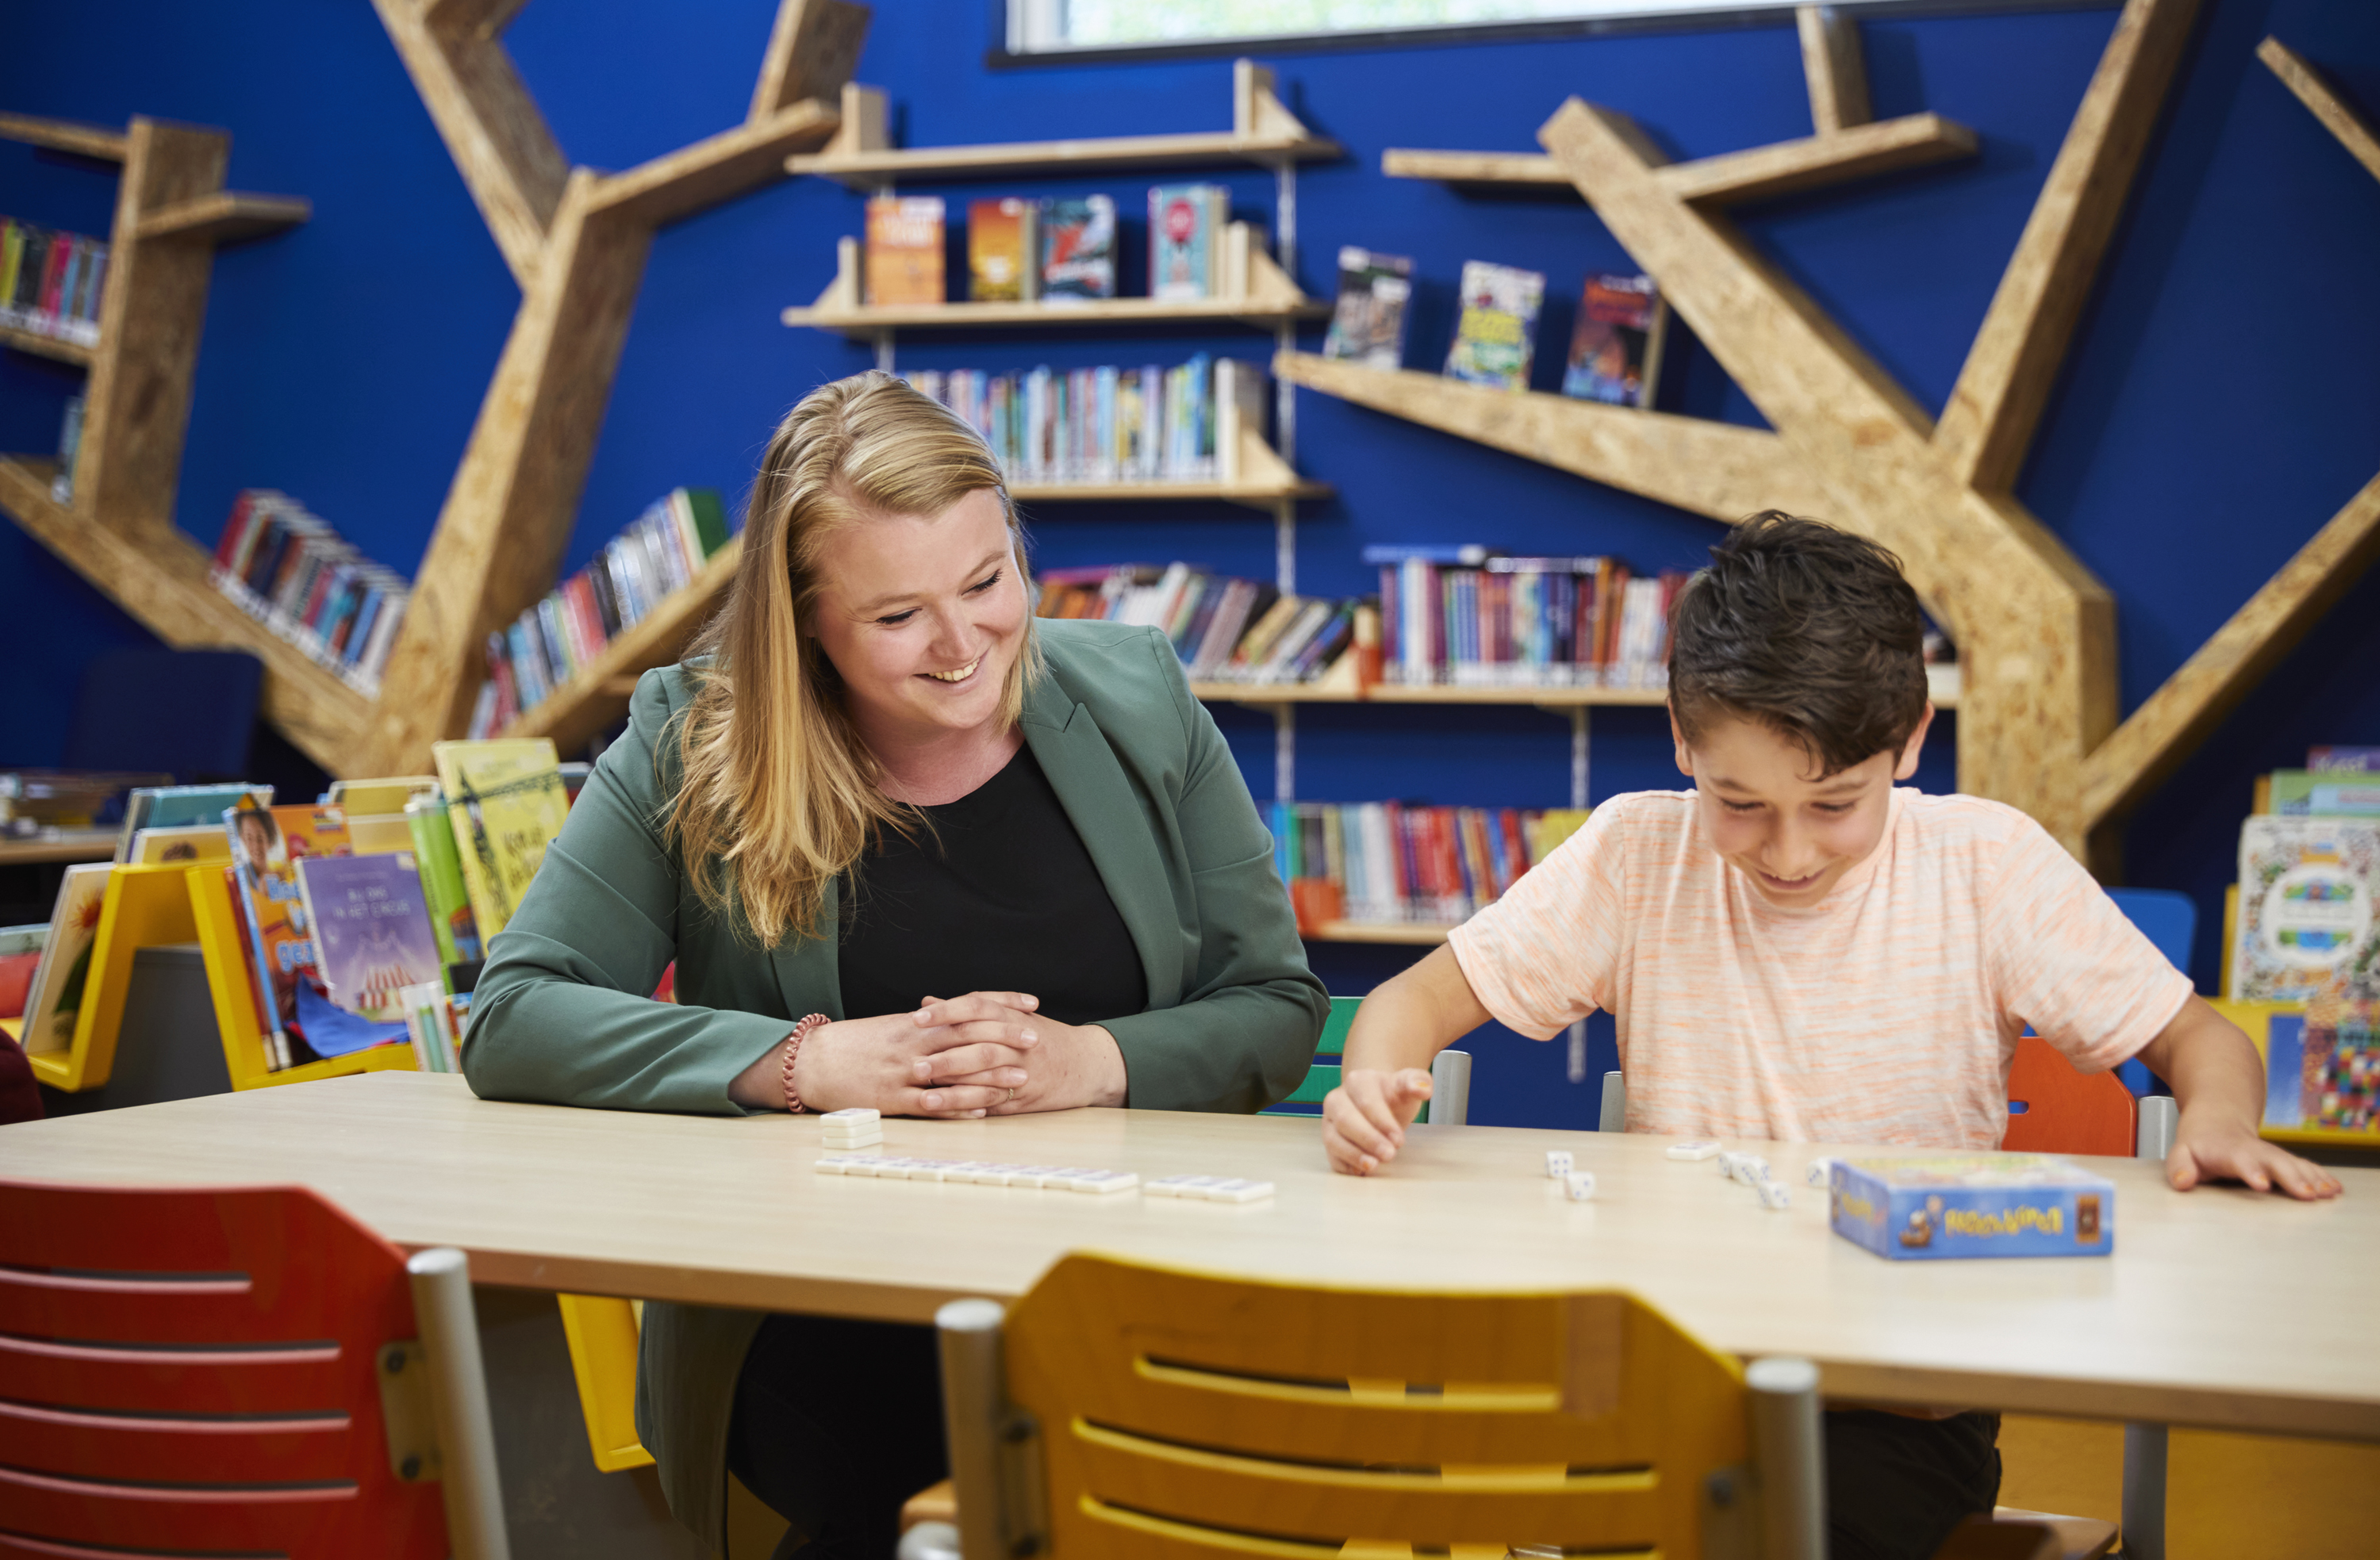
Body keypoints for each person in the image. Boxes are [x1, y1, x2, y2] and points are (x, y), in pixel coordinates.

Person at [1319, 512, 2341, 1560]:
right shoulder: (1636, 850)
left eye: (1837, 803)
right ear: (1682, 740)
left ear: (1908, 744)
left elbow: (2205, 1044)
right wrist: (1367, 1082)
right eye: (1741, 802)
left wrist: (2219, 1124)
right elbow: (1413, 1004)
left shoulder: (1986, 864)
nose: (1791, 851)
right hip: (1677, 1380)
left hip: (1897, 1407)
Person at [464, 371, 1327, 1558]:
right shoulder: (687, 733)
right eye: (897, 616)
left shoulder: (1140, 694)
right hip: (816, 1305)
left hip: (1133, 1272)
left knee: (1275, 1451)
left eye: (987, 581)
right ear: (804, 621)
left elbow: (1278, 1008)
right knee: (940, 1468)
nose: (964, 643)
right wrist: (806, 1064)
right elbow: (513, 1013)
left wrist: (1094, 1062)